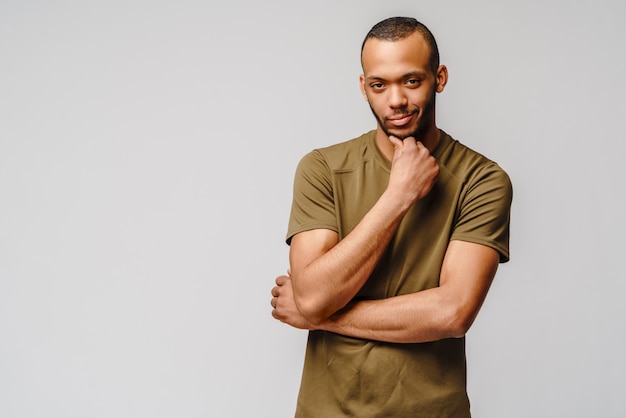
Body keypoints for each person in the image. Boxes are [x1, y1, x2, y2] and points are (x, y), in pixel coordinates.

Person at [270, 16, 512, 417]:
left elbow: (452, 313)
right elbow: (313, 295)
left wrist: (324, 318)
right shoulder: (322, 168)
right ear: (364, 87)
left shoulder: (482, 180)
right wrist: (398, 196)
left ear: (440, 78)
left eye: (411, 81)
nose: (395, 100)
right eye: (380, 85)